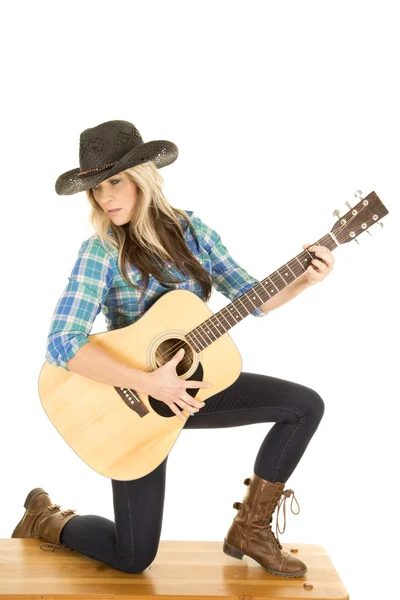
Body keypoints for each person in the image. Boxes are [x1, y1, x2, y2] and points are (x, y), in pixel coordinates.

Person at [11, 120, 334, 578]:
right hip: (136, 407)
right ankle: (46, 518)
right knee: (133, 558)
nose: (105, 198)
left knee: (304, 406)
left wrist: (304, 279)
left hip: (191, 393)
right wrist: (149, 381)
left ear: (143, 174)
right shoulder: (101, 251)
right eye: (96, 189)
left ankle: (251, 529)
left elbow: (251, 297)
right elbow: (62, 343)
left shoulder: (193, 232)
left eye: (115, 182)